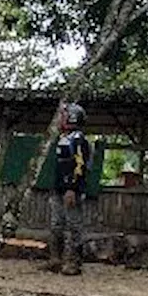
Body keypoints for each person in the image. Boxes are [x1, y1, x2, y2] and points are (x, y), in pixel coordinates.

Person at [48, 102, 91, 275]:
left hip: (71, 190)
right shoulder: (62, 138)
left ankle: (74, 262)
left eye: (62, 115)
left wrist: (72, 188)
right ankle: (56, 259)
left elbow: (80, 165)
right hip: (59, 189)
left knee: (74, 225)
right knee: (56, 224)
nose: (59, 119)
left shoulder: (78, 139)